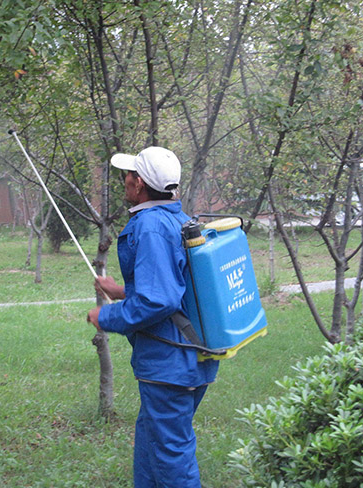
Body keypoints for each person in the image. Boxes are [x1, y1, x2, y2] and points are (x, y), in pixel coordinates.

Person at [87, 146, 219, 488]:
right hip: (188, 357)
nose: (125, 180)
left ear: (140, 183)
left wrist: (107, 317)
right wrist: (120, 292)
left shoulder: (149, 225)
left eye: (128, 174)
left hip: (171, 364)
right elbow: (173, 288)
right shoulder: (176, 218)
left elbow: (157, 301)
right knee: (151, 441)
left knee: (172, 456)